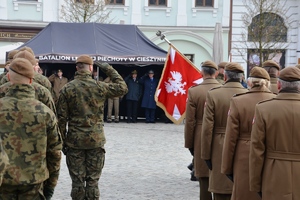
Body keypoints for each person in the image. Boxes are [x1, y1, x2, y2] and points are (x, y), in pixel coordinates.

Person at [56, 55, 128, 200]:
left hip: (75, 141)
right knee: (93, 181)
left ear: (77, 68)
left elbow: (61, 119)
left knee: (77, 182)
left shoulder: (67, 88)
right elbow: (123, 88)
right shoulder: (100, 86)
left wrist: (62, 142)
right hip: (95, 140)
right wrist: (108, 68)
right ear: (91, 68)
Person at [0, 58, 62, 199]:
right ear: (31, 79)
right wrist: (50, 186)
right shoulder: (45, 112)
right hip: (34, 183)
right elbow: (54, 153)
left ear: (8, 77)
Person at [221, 67, 276, 200]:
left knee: (244, 193)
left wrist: (226, 167)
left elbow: (231, 138)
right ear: (267, 83)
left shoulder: (238, 101)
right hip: (270, 155)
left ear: (250, 82)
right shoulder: (275, 100)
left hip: (244, 154)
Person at [249, 67, 300, 200]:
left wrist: (256, 184)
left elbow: (257, 149)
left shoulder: (264, 108)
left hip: (274, 173)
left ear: (278, 84)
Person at [201, 62, 248, 200]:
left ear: (225, 76)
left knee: (220, 190)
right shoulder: (248, 95)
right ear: (241, 77)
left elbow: (207, 128)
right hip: (241, 146)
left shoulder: (214, 94)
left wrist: (205, 155)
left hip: (218, 144)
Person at [184, 60, 221, 200]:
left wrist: (189, 144)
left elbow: (190, 121)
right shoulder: (222, 90)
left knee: (204, 179)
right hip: (220, 135)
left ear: (202, 72)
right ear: (216, 73)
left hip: (200, 135)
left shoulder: (194, 91)